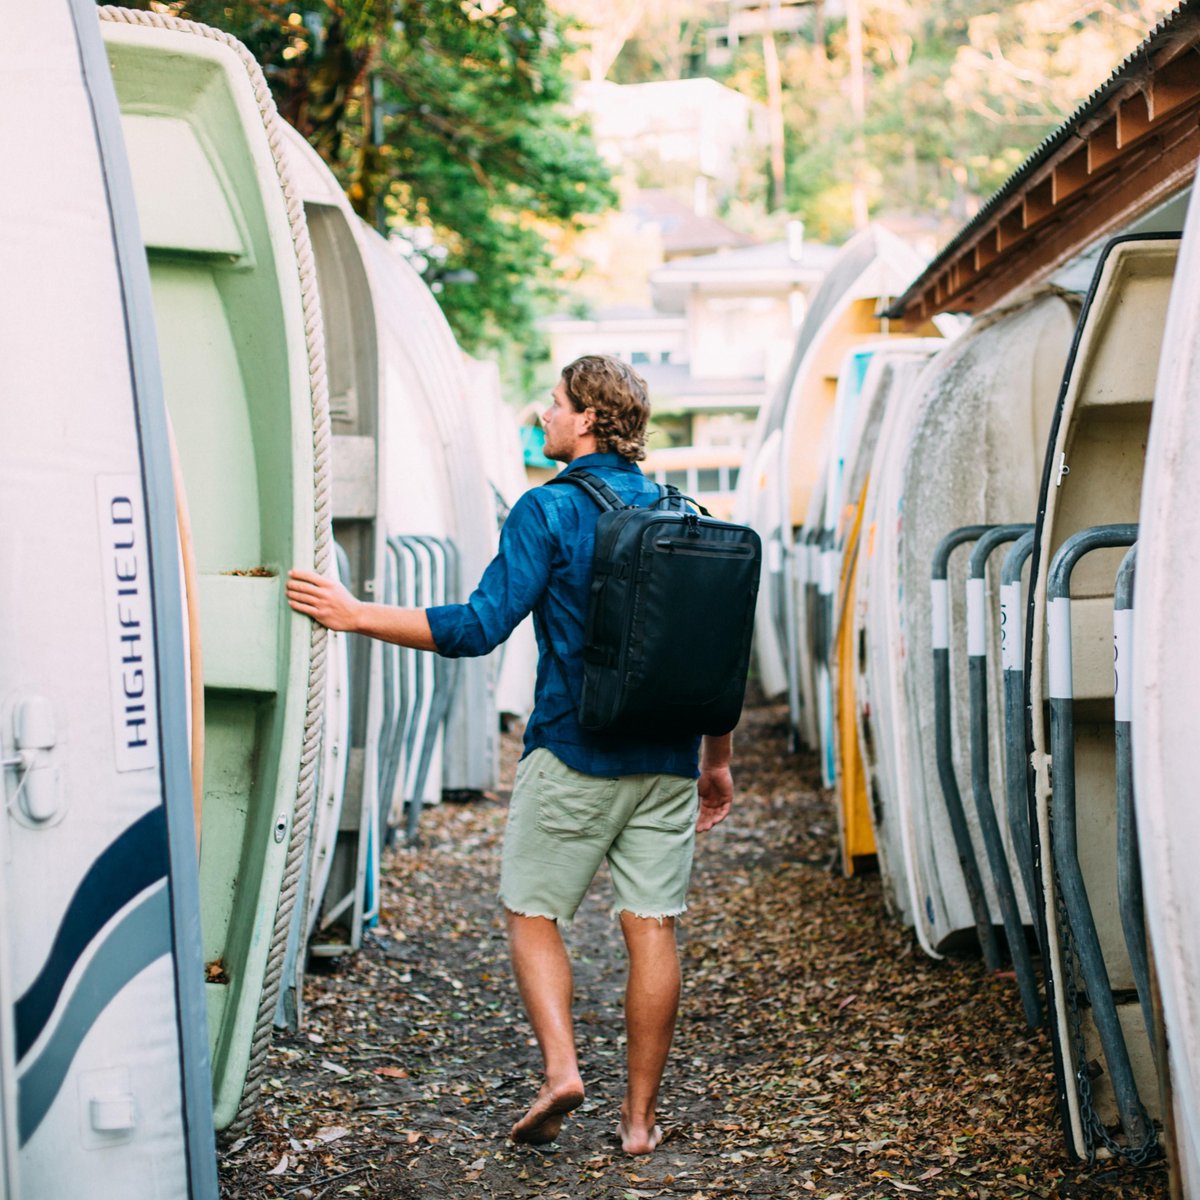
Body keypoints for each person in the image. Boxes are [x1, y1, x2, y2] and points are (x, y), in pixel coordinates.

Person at [286, 353, 734, 1156]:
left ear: (588, 418)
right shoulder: (685, 511)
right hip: (669, 758)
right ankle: (637, 1123)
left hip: (573, 749)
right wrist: (717, 760)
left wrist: (356, 615)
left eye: (555, 404)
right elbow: (715, 651)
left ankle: (562, 1070)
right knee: (653, 929)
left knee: (533, 914)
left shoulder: (547, 510)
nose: (544, 414)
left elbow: (478, 626)